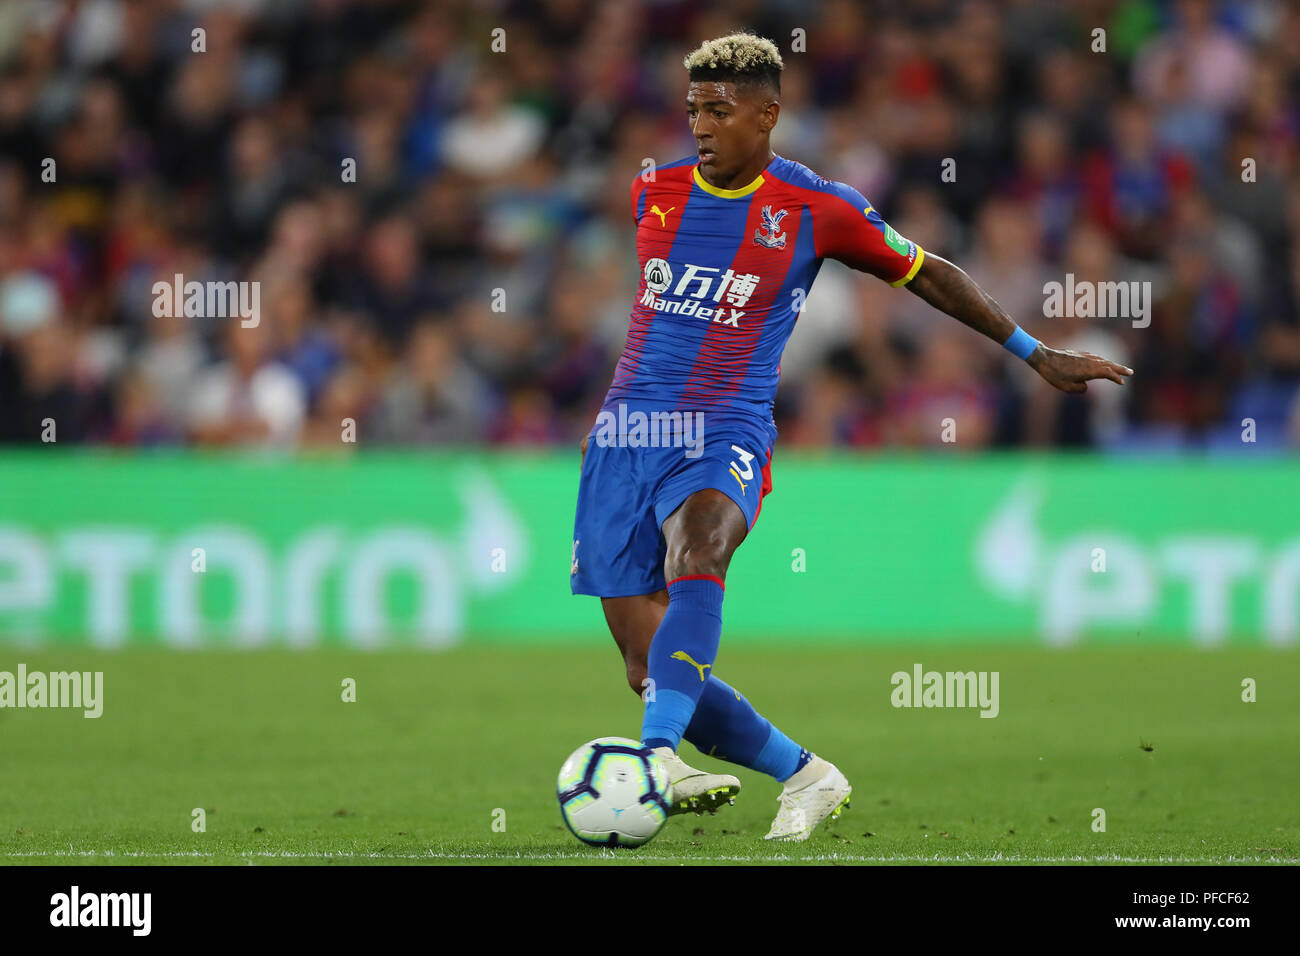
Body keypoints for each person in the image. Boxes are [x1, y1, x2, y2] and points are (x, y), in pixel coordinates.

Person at [570, 33, 1132, 841]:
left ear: (768, 116)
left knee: (699, 554)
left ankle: (657, 756)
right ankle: (807, 773)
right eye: (693, 109)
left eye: (719, 111)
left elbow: (930, 271)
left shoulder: (816, 207)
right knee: (644, 665)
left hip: (723, 428)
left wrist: (1034, 352)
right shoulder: (652, 190)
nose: (700, 125)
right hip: (626, 434)